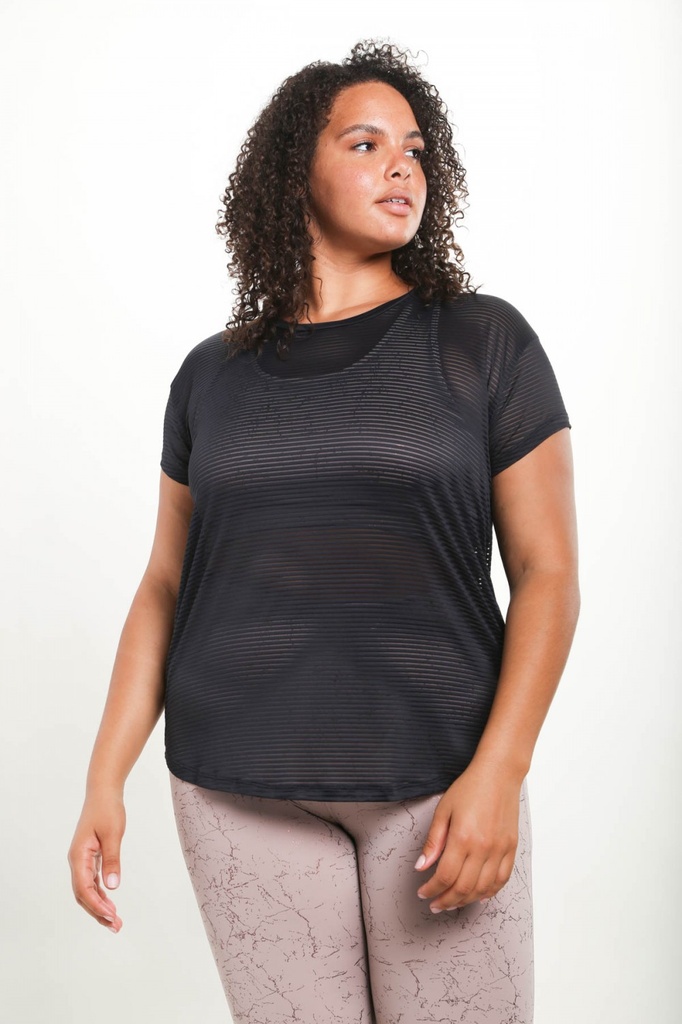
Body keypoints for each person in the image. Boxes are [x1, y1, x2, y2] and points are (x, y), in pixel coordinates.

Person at [68, 39, 580, 1024]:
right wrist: (104, 778)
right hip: (235, 787)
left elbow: (549, 572)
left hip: (439, 782)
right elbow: (166, 584)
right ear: (293, 170)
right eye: (366, 143)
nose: (403, 167)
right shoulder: (210, 374)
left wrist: (501, 769)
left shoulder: (483, 341)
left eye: (416, 150)